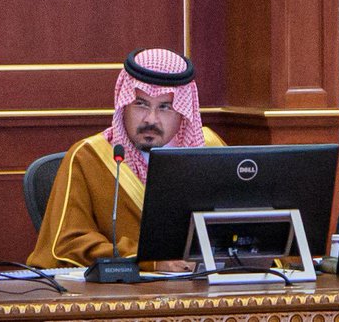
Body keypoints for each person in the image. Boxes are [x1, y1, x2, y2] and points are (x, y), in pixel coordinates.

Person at [27, 48, 225, 271]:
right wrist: (150, 262)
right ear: (124, 105)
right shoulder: (88, 157)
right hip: (119, 288)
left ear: (183, 112)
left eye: (165, 107)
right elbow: (68, 243)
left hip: (202, 284)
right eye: (141, 104)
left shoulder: (209, 151)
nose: (151, 119)